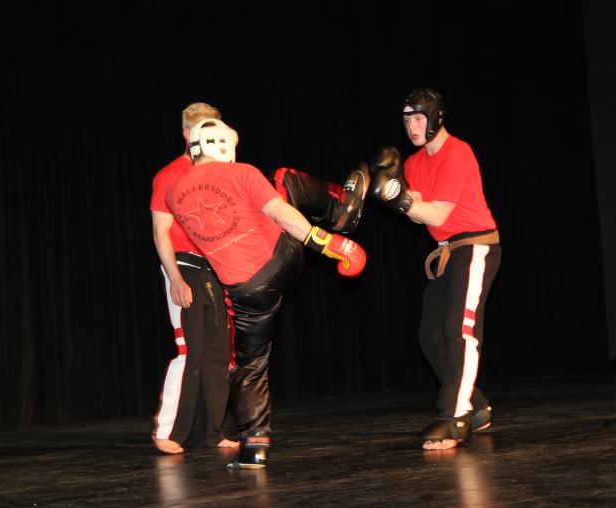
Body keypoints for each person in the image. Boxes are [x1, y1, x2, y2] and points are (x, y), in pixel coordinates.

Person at [166, 118, 367, 468]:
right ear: (226, 146)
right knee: (284, 179)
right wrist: (327, 243)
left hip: (246, 292)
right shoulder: (242, 172)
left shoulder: (173, 194)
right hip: (282, 259)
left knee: (250, 365)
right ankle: (341, 211)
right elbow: (282, 213)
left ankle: (254, 445)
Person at [368, 88, 501, 451]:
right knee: (430, 335)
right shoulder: (414, 163)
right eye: (407, 120)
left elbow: (439, 214)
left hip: (475, 246)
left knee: (460, 331)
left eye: (418, 118)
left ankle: (455, 418)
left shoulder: (458, 152)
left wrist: (399, 199)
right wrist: (397, 195)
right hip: (446, 252)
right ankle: (476, 406)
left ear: (436, 118)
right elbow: (420, 214)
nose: (412, 126)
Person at [150, 102, 236, 455]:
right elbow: (160, 231)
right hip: (182, 266)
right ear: (188, 134)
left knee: (219, 351)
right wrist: (174, 278)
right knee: (191, 350)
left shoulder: (219, 174)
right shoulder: (170, 175)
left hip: (211, 268)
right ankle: (169, 431)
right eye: (203, 130)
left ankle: (213, 432)